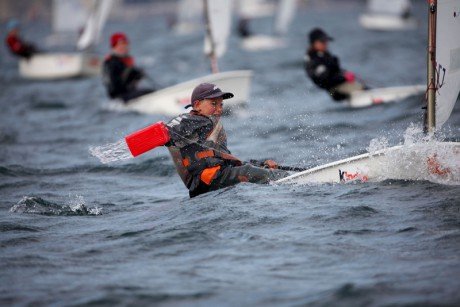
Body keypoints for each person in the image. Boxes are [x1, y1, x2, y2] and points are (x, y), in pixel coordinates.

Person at [166, 83, 286, 198]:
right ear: (197, 105)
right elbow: (170, 130)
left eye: (221, 104)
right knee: (252, 172)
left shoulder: (209, 123)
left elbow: (226, 159)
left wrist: (261, 164)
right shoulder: (192, 119)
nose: (219, 109)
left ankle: (281, 176)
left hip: (214, 179)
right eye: (214, 104)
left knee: (256, 169)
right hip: (209, 179)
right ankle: (288, 179)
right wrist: (165, 134)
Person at [304, 28, 365, 101]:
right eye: (322, 41)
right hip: (332, 92)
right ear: (314, 43)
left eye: (326, 41)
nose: (325, 44)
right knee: (361, 89)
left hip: (338, 88)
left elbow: (335, 71)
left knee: (362, 87)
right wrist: (344, 78)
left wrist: (345, 74)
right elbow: (324, 81)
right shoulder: (312, 60)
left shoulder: (324, 55)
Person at [102, 32, 154, 103]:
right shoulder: (111, 63)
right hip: (120, 97)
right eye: (120, 45)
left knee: (150, 91)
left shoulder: (124, 60)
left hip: (129, 93)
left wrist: (137, 75)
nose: (123, 47)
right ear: (114, 47)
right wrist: (130, 74)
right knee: (149, 92)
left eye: (125, 44)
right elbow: (114, 87)